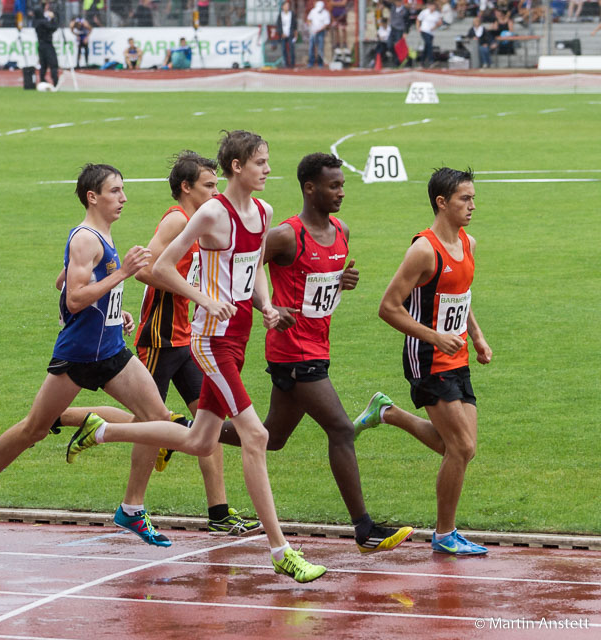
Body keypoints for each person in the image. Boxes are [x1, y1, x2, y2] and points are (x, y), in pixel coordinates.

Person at [65, 131, 327, 582]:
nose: (267, 169)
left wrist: (265, 306)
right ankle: (280, 549)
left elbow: (254, 268)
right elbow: (162, 266)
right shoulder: (211, 213)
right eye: (260, 162)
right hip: (211, 339)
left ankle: (102, 429)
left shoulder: (263, 212)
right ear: (236, 167)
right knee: (255, 435)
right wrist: (204, 300)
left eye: (267, 161)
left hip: (240, 334)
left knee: (200, 441)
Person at [0, 164, 181, 549]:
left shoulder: (102, 236)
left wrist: (116, 309)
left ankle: (132, 507)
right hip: (78, 355)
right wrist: (124, 274)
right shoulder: (85, 239)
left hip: (110, 350)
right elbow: (75, 300)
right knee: (34, 430)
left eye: (123, 190)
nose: (123, 198)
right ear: (92, 197)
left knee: (156, 419)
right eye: (115, 191)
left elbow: (71, 286)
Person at [216, 153, 413, 554]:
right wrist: (270, 309)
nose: (341, 192)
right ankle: (365, 529)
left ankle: (183, 430)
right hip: (291, 352)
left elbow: (317, 287)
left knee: (272, 437)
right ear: (310, 188)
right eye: (333, 185)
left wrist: (343, 282)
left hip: (318, 347)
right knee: (341, 428)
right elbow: (242, 270)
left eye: (342, 184)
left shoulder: (341, 231)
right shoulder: (288, 235)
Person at [356, 167, 492, 556]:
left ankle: (389, 413)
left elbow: (459, 297)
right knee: (461, 447)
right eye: (465, 198)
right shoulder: (423, 250)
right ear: (442, 202)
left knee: (460, 448)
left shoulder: (468, 243)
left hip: (458, 355)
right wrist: (434, 337)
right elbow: (387, 307)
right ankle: (445, 534)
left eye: (473, 198)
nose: (472, 205)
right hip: (428, 358)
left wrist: (477, 336)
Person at [133, 151, 261, 536]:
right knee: (149, 422)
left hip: (189, 338)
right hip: (159, 337)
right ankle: (132, 504)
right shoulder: (177, 220)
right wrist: (192, 291)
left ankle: (219, 511)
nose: (216, 191)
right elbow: (145, 270)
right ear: (186, 188)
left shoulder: (206, 224)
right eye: (208, 185)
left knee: (210, 423)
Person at [35, 5, 59, 86]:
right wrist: (53, 18)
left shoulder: (36, 22)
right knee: (53, 64)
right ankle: (55, 81)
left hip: (41, 45)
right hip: (47, 45)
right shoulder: (43, 22)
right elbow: (53, 27)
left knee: (43, 65)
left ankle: (42, 81)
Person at [416, 1, 443, 67]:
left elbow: (440, 23)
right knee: (429, 44)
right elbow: (418, 19)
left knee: (426, 47)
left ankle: (421, 62)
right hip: (424, 30)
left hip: (431, 33)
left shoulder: (437, 14)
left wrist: (434, 27)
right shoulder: (424, 12)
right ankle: (431, 61)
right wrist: (418, 27)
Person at [306, 1, 330, 68]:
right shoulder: (313, 11)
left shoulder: (326, 13)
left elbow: (326, 24)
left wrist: (319, 30)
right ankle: (311, 62)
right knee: (311, 47)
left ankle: (320, 63)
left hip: (320, 32)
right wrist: (311, 26)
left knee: (320, 48)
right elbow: (308, 20)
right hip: (313, 32)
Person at [277, 1, 297, 68]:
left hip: (290, 34)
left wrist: (295, 34)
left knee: (291, 49)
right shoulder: (280, 15)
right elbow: (278, 25)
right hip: (283, 35)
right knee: (283, 49)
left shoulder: (292, 14)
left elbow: (295, 25)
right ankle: (285, 63)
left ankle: (292, 64)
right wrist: (281, 33)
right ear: (282, 7)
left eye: (288, 6)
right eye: (285, 5)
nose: (287, 7)